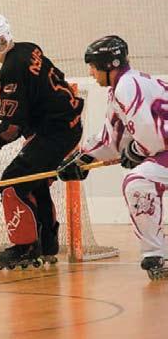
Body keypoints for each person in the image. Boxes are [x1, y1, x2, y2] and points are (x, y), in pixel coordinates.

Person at [0, 13, 84, 270]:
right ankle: (47, 246)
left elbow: (12, 126)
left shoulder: (11, 69)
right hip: (66, 127)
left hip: (56, 133)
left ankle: (25, 247)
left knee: (12, 182)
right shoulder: (29, 49)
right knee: (34, 182)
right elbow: (40, 96)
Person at [58, 35, 168, 280]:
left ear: (109, 66)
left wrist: (137, 152)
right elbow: (112, 140)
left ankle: (158, 254)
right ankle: (157, 253)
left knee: (138, 181)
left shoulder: (129, 86)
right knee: (140, 180)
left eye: (93, 67)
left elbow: (150, 136)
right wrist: (82, 158)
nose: (91, 73)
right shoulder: (122, 87)